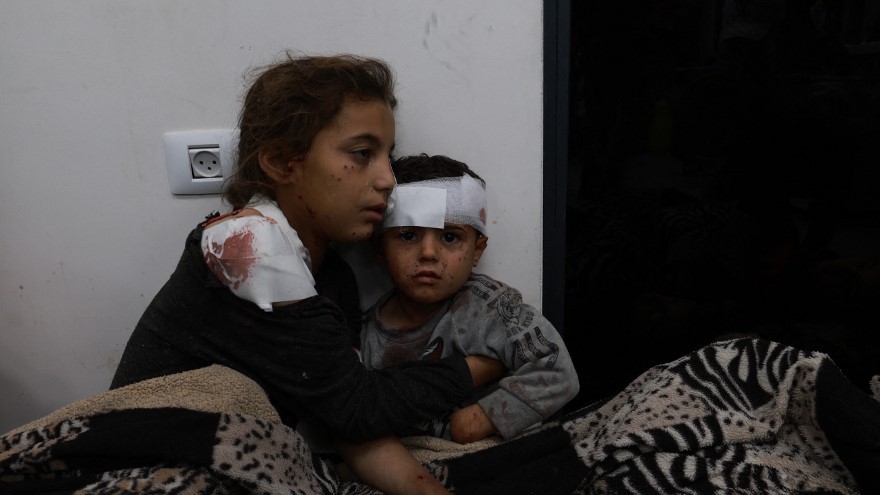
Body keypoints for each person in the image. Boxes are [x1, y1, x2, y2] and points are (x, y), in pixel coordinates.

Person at [110, 52, 500, 495]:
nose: (388, 179)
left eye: (388, 157)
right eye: (362, 153)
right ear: (282, 162)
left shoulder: (332, 278)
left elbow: (348, 421)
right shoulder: (245, 244)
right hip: (149, 463)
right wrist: (480, 366)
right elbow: (360, 407)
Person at [359, 153, 580, 443]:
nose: (428, 253)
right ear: (379, 249)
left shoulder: (490, 308)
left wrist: (477, 420)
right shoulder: (363, 332)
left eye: (450, 237)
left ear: (477, 251)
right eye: (408, 235)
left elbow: (557, 371)